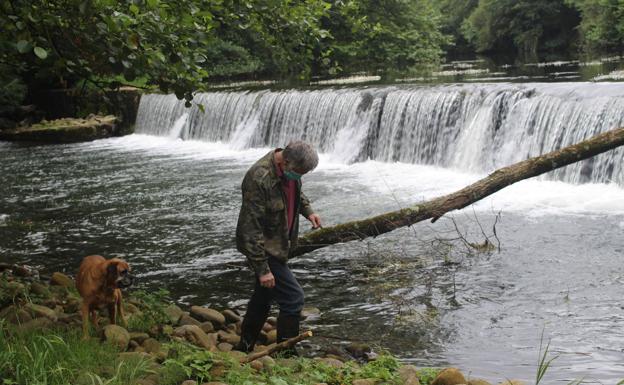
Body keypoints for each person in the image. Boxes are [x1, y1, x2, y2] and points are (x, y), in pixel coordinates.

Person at [235, 140, 322, 355]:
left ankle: (245, 347)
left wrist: (308, 211)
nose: (300, 177)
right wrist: (262, 269)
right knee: (293, 298)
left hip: (280, 245)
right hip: (265, 249)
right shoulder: (259, 178)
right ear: (286, 162)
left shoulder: (290, 171)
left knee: (263, 298)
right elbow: (249, 228)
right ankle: (287, 354)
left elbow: (296, 192)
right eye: (299, 173)